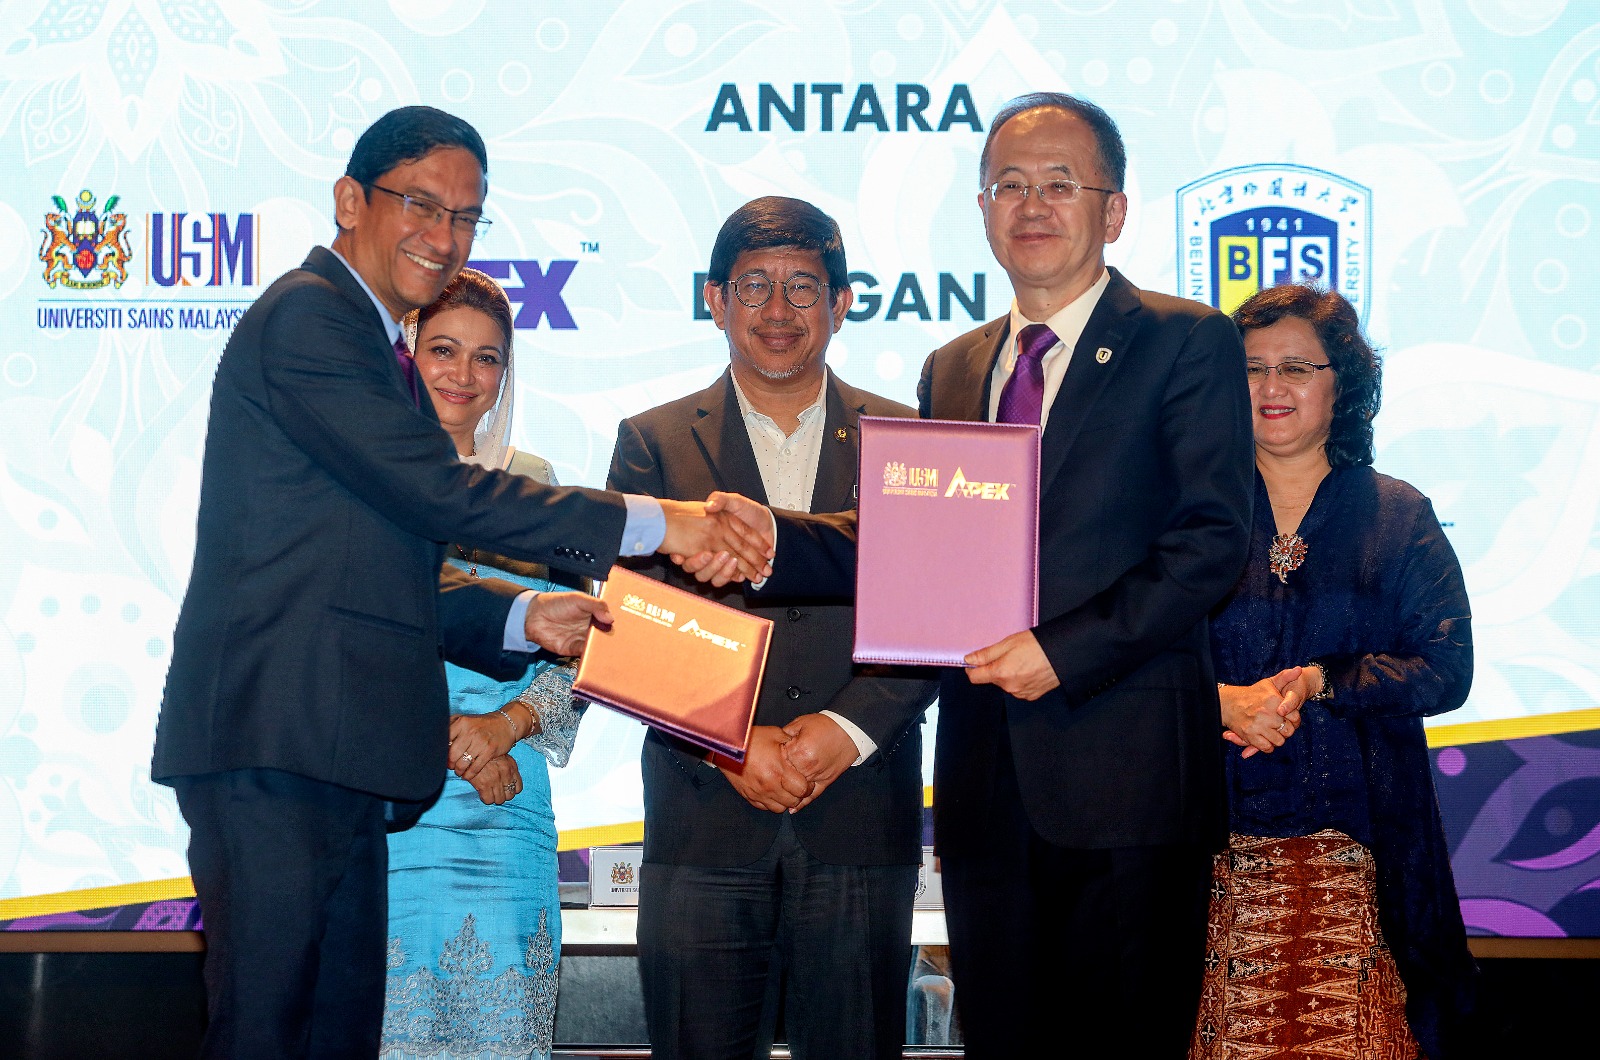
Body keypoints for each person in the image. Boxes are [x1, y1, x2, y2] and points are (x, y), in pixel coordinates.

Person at [151, 105, 771, 1059]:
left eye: (468, 217)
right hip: (281, 745)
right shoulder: (312, 316)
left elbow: (383, 568)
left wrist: (526, 616)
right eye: (421, 205)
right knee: (270, 1033)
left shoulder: (378, 348)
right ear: (350, 200)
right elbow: (441, 495)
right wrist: (665, 523)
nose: (444, 237)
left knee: (330, 1036)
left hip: (333, 756)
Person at [728, 92, 1257, 1056]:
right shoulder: (956, 365)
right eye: (1010, 185)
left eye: (1060, 183)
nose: (1033, 204)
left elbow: (1211, 541)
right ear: (981, 211)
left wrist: (1062, 652)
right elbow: (913, 538)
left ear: (1115, 210)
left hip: (1128, 784)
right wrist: (774, 536)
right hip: (985, 786)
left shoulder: (1186, 339)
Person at [607, 196, 938, 1060]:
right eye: (754, 286)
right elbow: (634, 623)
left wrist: (847, 728)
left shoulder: (909, 438)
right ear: (715, 300)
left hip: (860, 809)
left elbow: (935, 614)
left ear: (843, 302)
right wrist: (731, 743)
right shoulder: (651, 442)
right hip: (703, 812)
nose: (779, 310)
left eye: (803, 286)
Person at [1192, 284, 1479, 1060]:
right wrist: (1219, 701)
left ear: (1340, 383)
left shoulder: (1397, 514)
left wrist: (1324, 680)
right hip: (1204, 849)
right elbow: (1132, 657)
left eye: (1296, 367)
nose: (1272, 387)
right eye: (1252, 368)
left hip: (1360, 844)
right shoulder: (1190, 518)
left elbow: (1447, 666)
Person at [379, 268, 584, 1058]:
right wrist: (446, 741)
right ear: (407, 352)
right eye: (443, 349)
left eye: (486, 357)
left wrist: (505, 726)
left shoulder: (538, 491)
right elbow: (336, 642)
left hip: (508, 814)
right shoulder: (361, 485)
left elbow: (586, 653)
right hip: (389, 808)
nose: (463, 374)